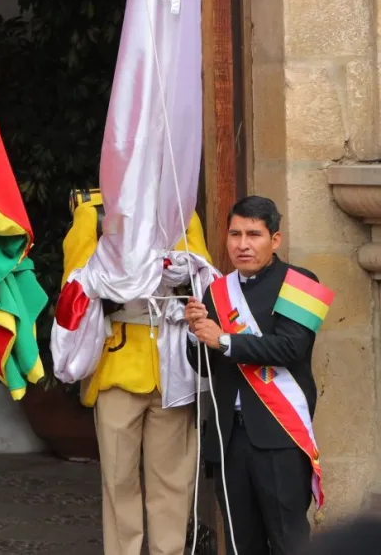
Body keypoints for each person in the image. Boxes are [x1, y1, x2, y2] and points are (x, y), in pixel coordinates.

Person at [62, 189, 214, 555]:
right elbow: (74, 289)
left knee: (172, 485)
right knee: (119, 483)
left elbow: (206, 285)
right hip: (118, 361)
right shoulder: (94, 211)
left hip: (172, 365)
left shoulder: (179, 208)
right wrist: (112, 276)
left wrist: (185, 269)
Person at [186, 196, 324, 555]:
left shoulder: (302, 281)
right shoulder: (216, 290)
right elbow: (203, 365)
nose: (242, 244)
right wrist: (195, 332)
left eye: (253, 234)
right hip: (229, 438)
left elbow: (290, 347)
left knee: (287, 542)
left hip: (278, 436)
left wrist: (225, 339)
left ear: (274, 239)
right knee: (238, 543)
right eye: (235, 234)